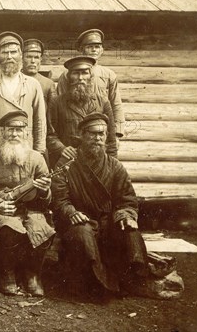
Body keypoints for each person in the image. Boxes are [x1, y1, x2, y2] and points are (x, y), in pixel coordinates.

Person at [51, 113, 147, 300]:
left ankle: (132, 280)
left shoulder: (115, 166)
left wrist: (126, 216)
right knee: (83, 234)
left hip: (107, 222)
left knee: (129, 230)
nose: (98, 138)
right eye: (92, 134)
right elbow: (58, 198)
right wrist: (71, 212)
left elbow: (127, 199)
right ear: (82, 135)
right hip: (77, 222)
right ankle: (90, 285)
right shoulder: (67, 164)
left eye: (102, 135)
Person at [0, 111, 54, 296]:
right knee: (9, 228)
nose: (14, 134)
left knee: (42, 229)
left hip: (31, 210)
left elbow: (48, 197)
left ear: (26, 134)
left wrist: (45, 189)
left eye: (19, 130)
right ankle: (7, 273)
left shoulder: (37, 158)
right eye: (10, 130)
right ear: (3, 133)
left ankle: (32, 274)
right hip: (4, 211)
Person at [0, 32, 46, 155]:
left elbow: (40, 120)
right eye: (4, 53)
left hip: (25, 150)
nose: (9, 57)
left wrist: (39, 150)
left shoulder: (33, 85)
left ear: (20, 55)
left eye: (13, 52)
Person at [47, 56, 117, 167]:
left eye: (84, 73)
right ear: (69, 77)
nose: (80, 78)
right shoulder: (57, 103)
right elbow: (50, 135)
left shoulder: (103, 102)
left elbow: (111, 140)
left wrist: (111, 167)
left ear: (91, 76)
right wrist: (62, 148)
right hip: (69, 162)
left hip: (97, 162)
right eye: (76, 73)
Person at [56, 29, 125, 138]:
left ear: (102, 50)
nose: (94, 50)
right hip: (74, 128)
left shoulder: (109, 74)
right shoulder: (67, 75)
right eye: (89, 47)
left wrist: (116, 133)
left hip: (100, 130)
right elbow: (60, 104)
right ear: (82, 49)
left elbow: (116, 104)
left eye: (97, 47)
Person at [21, 38, 56, 108]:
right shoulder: (14, 80)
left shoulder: (48, 84)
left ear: (40, 60)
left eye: (36, 57)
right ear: (22, 58)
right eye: (29, 57)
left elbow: (51, 112)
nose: (33, 61)